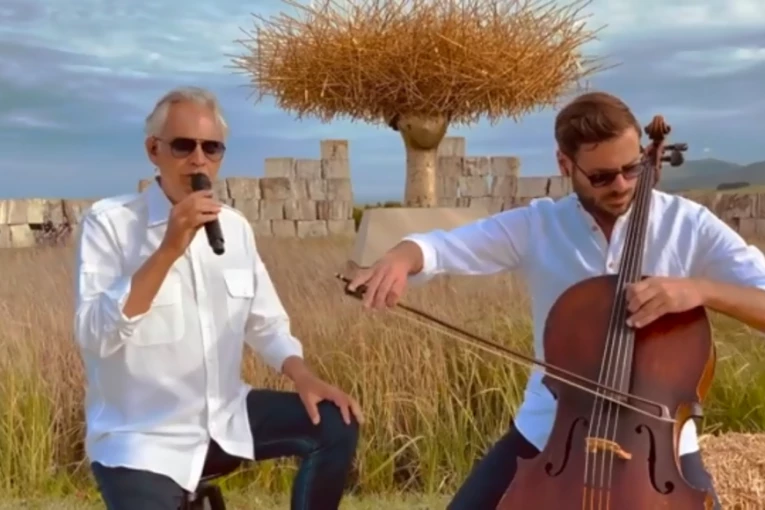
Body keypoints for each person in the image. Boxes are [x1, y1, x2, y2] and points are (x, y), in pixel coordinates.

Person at [347, 91, 765, 509]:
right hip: (550, 433)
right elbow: (442, 247)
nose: (621, 185)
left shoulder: (689, 224)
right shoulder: (539, 224)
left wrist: (701, 290)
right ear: (565, 164)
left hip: (661, 452)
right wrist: (402, 256)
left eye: (631, 169)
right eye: (601, 177)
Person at [73, 86, 363, 510]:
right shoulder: (109, 224)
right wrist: (169, 248)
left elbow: (265, 322)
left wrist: (303, 376)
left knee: (336, 422)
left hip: (226, 417)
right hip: (140, 438)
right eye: (183, 146)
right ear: (154, 150)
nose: (198, 160)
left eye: (211, 148)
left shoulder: (235, 227)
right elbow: (94, 336)